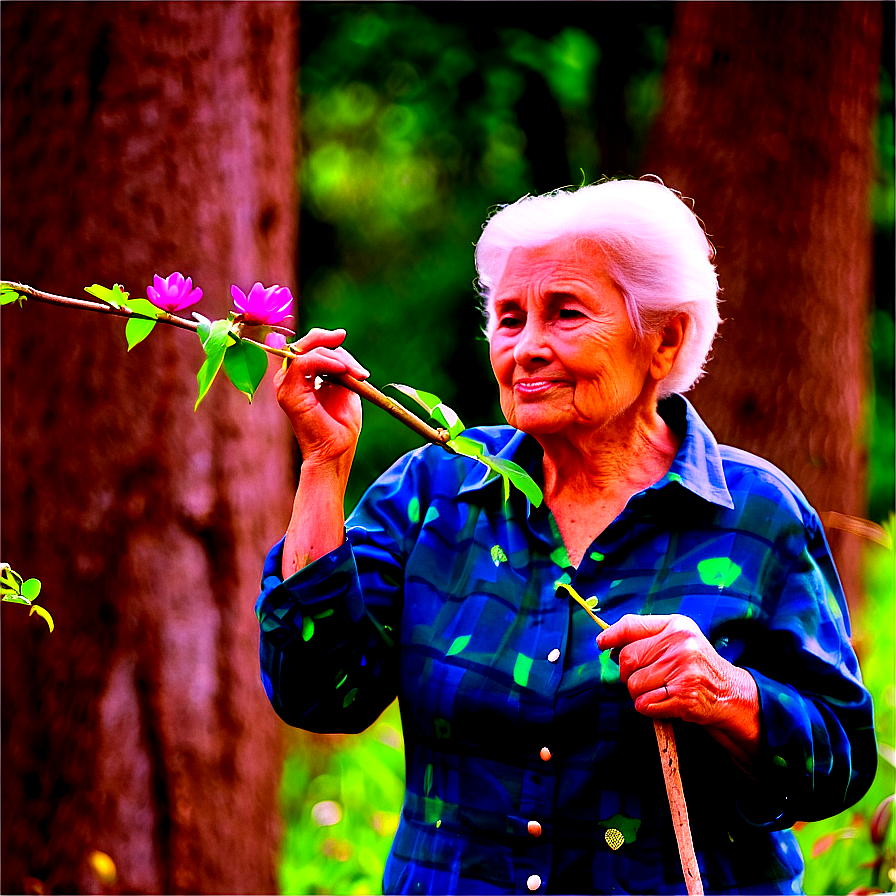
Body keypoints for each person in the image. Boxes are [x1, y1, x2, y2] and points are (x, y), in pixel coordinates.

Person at [255, 177, 876, 895]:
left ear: (664, 339)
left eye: (565, 314)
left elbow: (840, 760)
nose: (527, 348)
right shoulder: (434, 494)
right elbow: (316, 693)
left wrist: (726, 693)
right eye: (510, 318)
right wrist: (324, 467)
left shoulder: (756, 514)